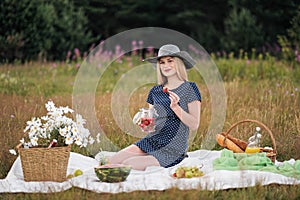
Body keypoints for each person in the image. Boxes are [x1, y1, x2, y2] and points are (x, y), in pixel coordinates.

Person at [109, 44, 202, 170]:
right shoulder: (155, 91)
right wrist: (146, 125)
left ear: (179, 63)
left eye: (170, 61)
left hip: (172, 148)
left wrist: (176, 108)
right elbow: (151, 121)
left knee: (127, 164)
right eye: (162, 62)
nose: (166, 65)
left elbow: (194, 124)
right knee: (112, 161)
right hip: (152, 141)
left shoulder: (189, 88)